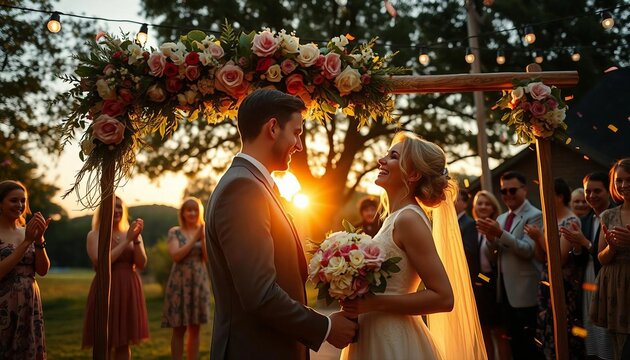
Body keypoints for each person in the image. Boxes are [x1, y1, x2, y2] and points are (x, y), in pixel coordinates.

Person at [204, 89, 357, 359]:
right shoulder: (243, 188)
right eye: (296, 133)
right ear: (273, 128)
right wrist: (325, 327)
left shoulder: (255, 184)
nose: (299, 145)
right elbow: (259, 294)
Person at [340, 132, 486, 360]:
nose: (382, 160)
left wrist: (372, 303)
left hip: (394, 340)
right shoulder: (394, 218)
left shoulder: (408, 219)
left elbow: (443, 297)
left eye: (393, 156)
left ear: (414, 174)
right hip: (374, 333)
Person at [476, 171, 544, 360]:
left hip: (525, 292)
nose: (507, 195)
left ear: (524, 190)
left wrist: (499, 234)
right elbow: (493, 257)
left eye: (512, 190)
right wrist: (490, 240)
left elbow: (528, 251)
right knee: (514, 346)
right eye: (503, 191)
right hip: (503, 291)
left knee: (530, 348)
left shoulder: (535, 215)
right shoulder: (501, 218)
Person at [525, 178, 586, 359]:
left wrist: (540, 237)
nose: (542, 199)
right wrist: (536, 238)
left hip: (563, 284)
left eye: (546, 195)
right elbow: (540, 256)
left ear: (559, 197)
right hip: (546, 279)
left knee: (563, 331)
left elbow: (559, 258)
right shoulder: (548, 219)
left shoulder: (571, 221)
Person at [82, 196, 149, 360]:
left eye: (119, 207)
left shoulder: (132, 233)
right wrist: (127, 241)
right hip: (105, 286)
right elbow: (101, 262)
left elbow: (141, 263)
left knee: (123, 341)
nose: (117, 210)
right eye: (112, 207)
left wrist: (137, 240)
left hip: (128, 287)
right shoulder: (94, 234)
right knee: (102, 340)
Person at [561, 172, 614, 359]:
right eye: (587, 191)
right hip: (588, 280)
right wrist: (576, 247)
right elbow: (580, 259)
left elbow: (610, 256)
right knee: (590, 330)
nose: (591, 196)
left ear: (608, 191)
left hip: (609, 280)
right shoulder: (584, 220)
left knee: (608, 334)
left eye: (597, 191)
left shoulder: (615, 216)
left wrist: (585, 243)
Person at [0, 180, 50, 359]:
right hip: (4, 304)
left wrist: (39, 240)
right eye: (14, 200)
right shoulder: (24, 235)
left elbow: (42, 270)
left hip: (30, 302)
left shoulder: (26, 231)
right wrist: (27, 241)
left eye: (23, 200)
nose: (20, 205)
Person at [161, 197, 211, 360]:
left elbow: (206, 258)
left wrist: (202, 238)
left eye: (195, 210)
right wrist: (195, 237)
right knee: (179, 328)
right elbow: (176, 256)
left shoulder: (204, 231)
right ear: (182, 213)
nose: (192, 213)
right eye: (188, 209)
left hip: (198, 279)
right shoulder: (174, 232)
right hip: (180, 282)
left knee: (195, 328)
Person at [590, 158, 630, 360]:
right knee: (620, 349)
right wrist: (612, 248)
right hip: (615, 287)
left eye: (629, 180)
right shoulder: (607, 216)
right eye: (619, 181)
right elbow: (601, 258)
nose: (624, 186)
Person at [471, 190, 511, 360]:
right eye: (480, 203)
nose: (483, 206)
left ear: (494, 207)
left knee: (500, 332)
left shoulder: (498, 226)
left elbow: (494, 259)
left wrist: (481, 279)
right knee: (483, 332)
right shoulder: (471, 229)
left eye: (487, 203)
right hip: (478, 288)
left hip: (495, 285)